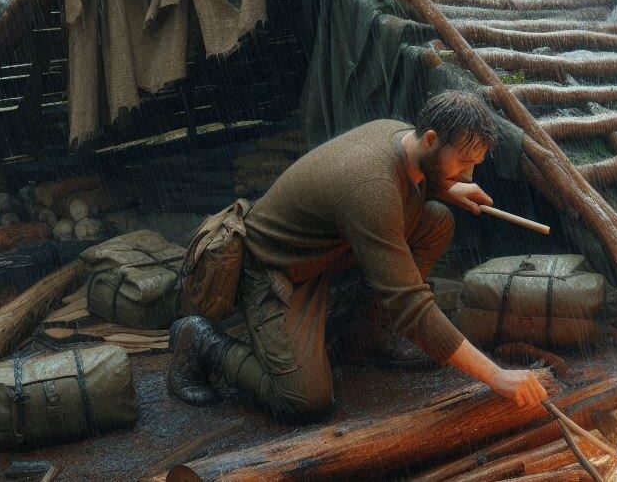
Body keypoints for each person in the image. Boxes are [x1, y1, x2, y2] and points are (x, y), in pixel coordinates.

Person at [166, 91, 549, 422]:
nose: (468, 175)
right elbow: (413, 307)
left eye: (474, 166)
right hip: (278, 269)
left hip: (329, 250)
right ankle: (202, 342)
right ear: (431, 139)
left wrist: (446, 189)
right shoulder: (371, 187)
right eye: (463, 164)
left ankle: (367, 333)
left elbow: (406, 189)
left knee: (436, 221)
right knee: (303, 401)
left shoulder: (403, 138)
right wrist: (496, 376)